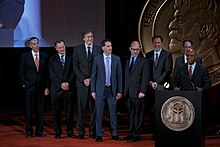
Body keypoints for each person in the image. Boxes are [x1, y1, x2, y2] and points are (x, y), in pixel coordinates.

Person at [90, 39, 123, 142]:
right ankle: (99, 134)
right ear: (103, 48)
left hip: (112, 91)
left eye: (111, 46)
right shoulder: (97, 59)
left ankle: (114, 133)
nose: (110, 48)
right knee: (99, 113)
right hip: (100, 90)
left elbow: (119, 76)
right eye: (108, 46)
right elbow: (93, 76)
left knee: (113, 113)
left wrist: (119, 91)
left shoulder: (116, 59)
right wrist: (93, 90)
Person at [73, 30, 102, 139]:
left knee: (94, 108)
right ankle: (81, 132)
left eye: (91, 37)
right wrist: (83, 79)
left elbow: (100, 66)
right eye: (87, 37)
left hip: (94, 83)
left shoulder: (98, 49)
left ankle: (93, 131)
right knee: (81, 108)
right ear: (83, 38)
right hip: (81, 84)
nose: (90, 39)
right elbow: (75, 66)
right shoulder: (77, 49)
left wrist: (91, 79)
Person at [19, 36, 49, 138]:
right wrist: (24, 83)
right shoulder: (25, 56)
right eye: (34, 44)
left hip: (40, 88)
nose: (37, 45)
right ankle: (29, 131)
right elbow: (21, 71)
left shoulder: (44, 56)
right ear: (30, 45)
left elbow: (46, 73)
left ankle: (39, 131)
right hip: (29, 88)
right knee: (29, 110)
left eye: (37, 43)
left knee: (40, 110)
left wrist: (46, 87)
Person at [145, 35, 173, 137]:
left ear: (161, 43)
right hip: (150, 87)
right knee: (152, 111)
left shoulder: (167, 55)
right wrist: (151, 82)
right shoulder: (148, 55)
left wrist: (157, 82)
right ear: (152, 43)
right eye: (155, 43)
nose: (157, 44)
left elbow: (167, 70)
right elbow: (146, 71)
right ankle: (154, 132)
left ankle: (161, 131)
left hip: (161, 87)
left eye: (159, 43)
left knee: (162, 110)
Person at [123, 41, 150, 142]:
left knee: (138, 114)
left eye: (137, 49)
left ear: (140, 49)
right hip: (128, 92)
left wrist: (142, 90)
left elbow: (145, 77)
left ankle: (136, 134)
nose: (135, 51)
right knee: (130, 114)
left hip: (138, 92)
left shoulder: (144, 61)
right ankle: (130, 133)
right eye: (133, 49)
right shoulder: (126, 60)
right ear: (130, 49)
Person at [48, 39, 75, 139]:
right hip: (56, 90)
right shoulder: (51, 59)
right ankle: (58, 132)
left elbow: (73, 72)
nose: (62, 49)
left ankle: (70, 132)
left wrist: (67, 83)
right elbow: (51, 74)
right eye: (59, 47)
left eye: (63, 47)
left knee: (69, 112)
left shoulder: (71, 58)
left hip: (69, 89)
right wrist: (61, 84)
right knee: (56, 112)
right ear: (56, 48)